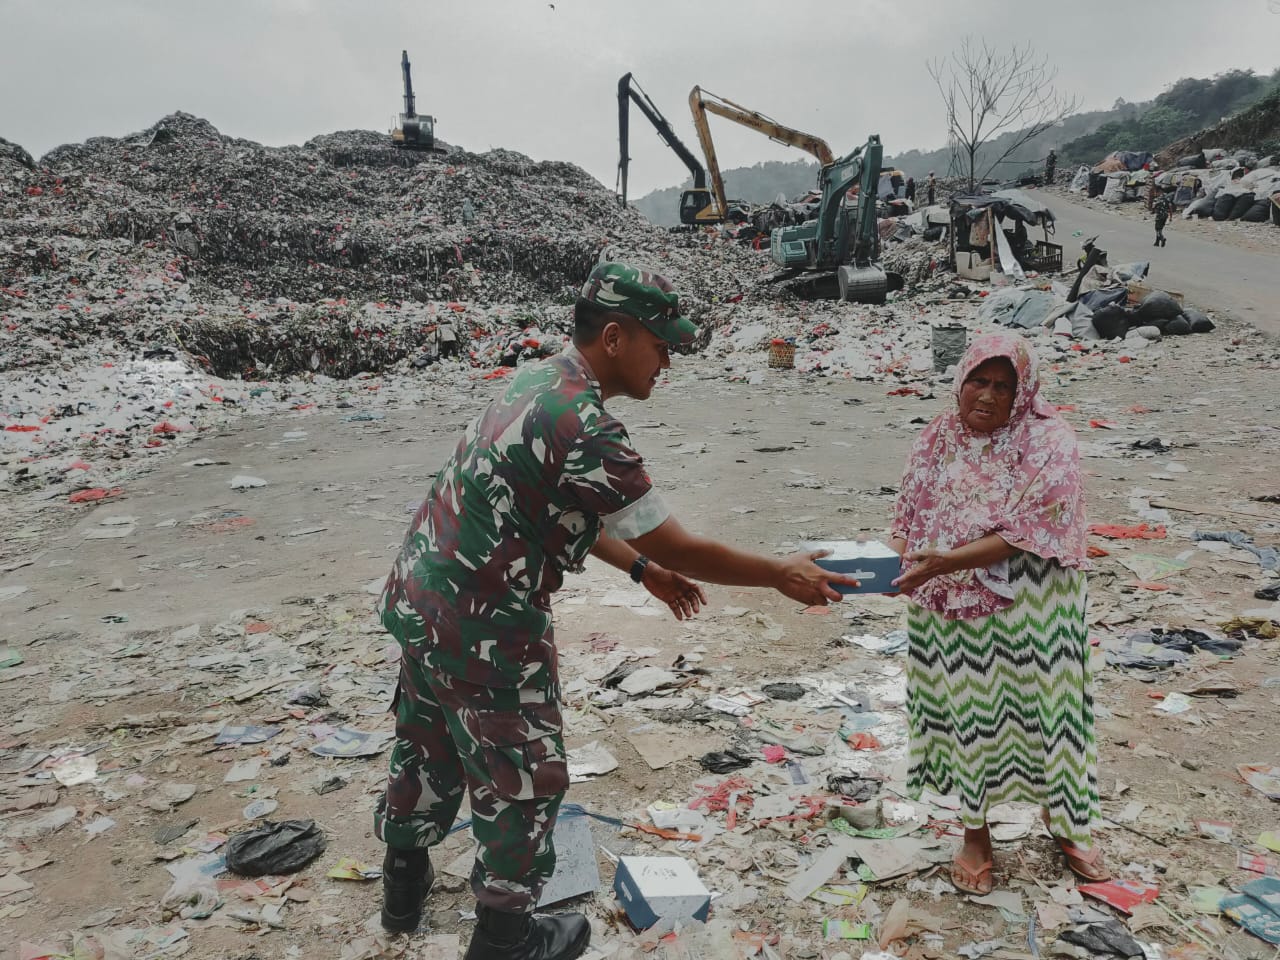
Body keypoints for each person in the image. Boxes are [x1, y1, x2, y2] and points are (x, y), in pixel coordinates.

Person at [374, 261, 857, 959]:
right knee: (525, 779)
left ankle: (401, 891)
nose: (668, 362)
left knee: (429, 743)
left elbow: (558, 507)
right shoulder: (587, 425)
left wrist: (640, 569)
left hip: (423, 602)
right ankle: (506, 940)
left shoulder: (536, 381)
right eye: (661, 346)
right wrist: (779, 573)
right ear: (614, 336)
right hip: (486, 624)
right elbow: (684, 545)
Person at [888, 333, 1106, 896]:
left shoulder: (1050, 440)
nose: (987, 396)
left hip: (1033, 602)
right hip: (949, 606)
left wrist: (944, 561)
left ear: (1023, 392)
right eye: (978, 381)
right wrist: (889, 570)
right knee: (970, 719)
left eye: (1003, 386)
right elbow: (909, 513)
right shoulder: (938, 437)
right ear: (960, 381)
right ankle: (975, 834)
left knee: (1051, 713)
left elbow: (1032, 528)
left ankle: (1066, 823)